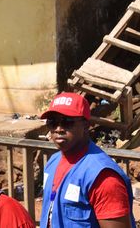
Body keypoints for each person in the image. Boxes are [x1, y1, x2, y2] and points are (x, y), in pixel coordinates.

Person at [40, 92, 135, 228]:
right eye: (52, 122)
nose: (58, 129)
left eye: (67, 122)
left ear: (86, 126)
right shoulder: (53, 162)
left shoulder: (103, 177)